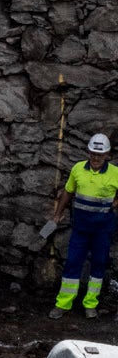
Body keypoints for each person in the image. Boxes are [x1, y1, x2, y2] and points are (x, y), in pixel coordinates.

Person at [56, 133, 118, 313]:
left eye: (100, 154)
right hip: (81, 229)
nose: (96, 158)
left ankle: (90, 305)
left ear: (107, 155)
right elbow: (68, 192)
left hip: (102, 230)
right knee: (73, 263)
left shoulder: (115, 173)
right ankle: (63, 303)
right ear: (88, 152)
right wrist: (57, 214)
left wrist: (114, 204)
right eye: (93, 153)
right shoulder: (77, 169)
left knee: (99, 265)